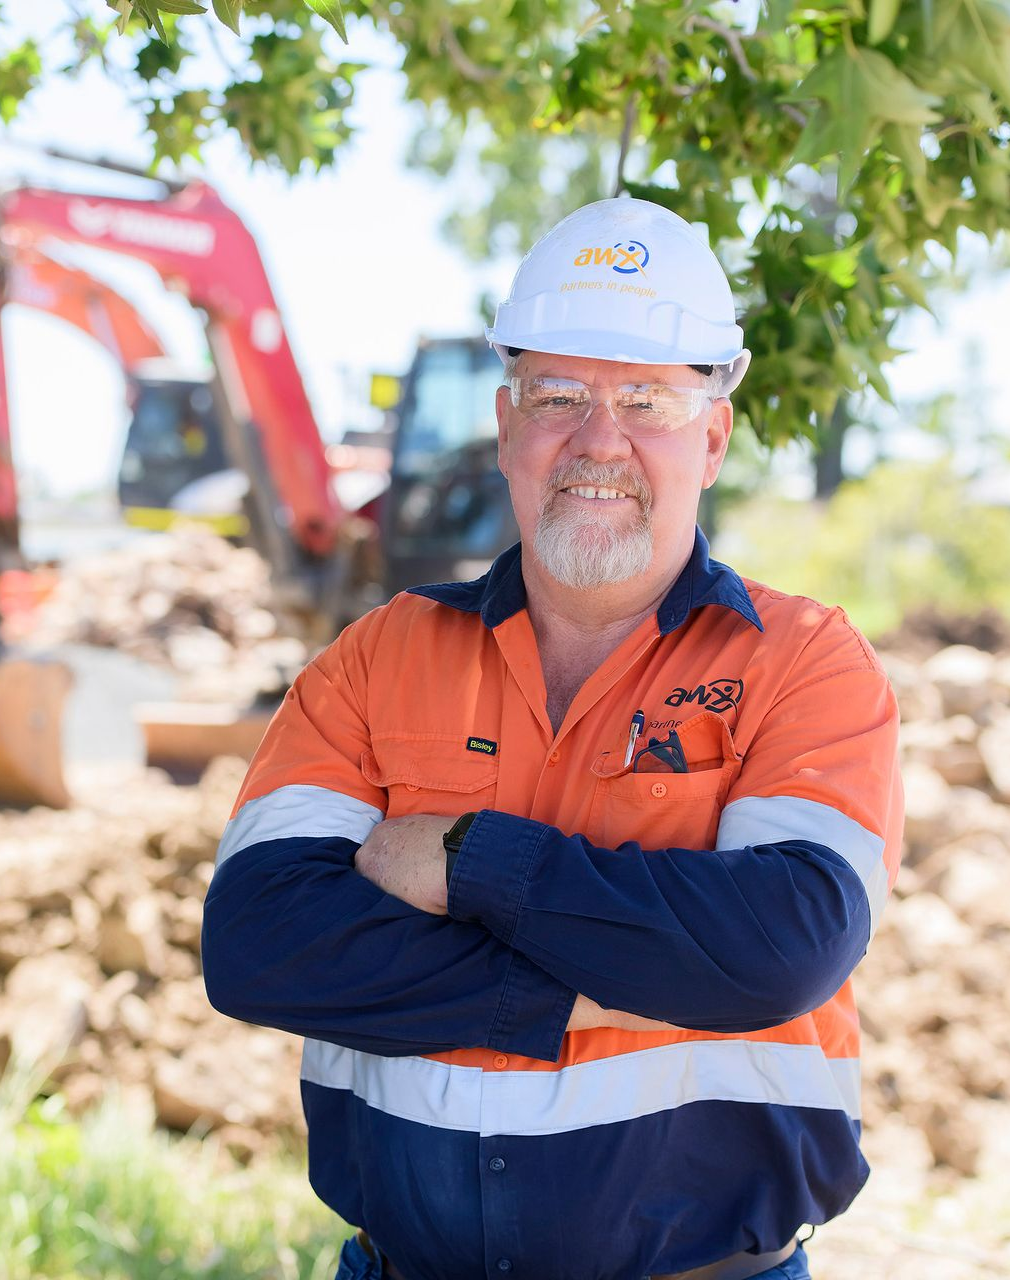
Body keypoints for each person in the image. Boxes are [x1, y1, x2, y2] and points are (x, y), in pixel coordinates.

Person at [202, 197, 903, 1280]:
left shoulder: (802, 662)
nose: (598, 440)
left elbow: (781, 945)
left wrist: (461, 857)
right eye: (559, 395)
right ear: (506, 424)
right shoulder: (377, 657)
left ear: (711, 436)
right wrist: (591, 985)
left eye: (647, 401)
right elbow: (260, 941)